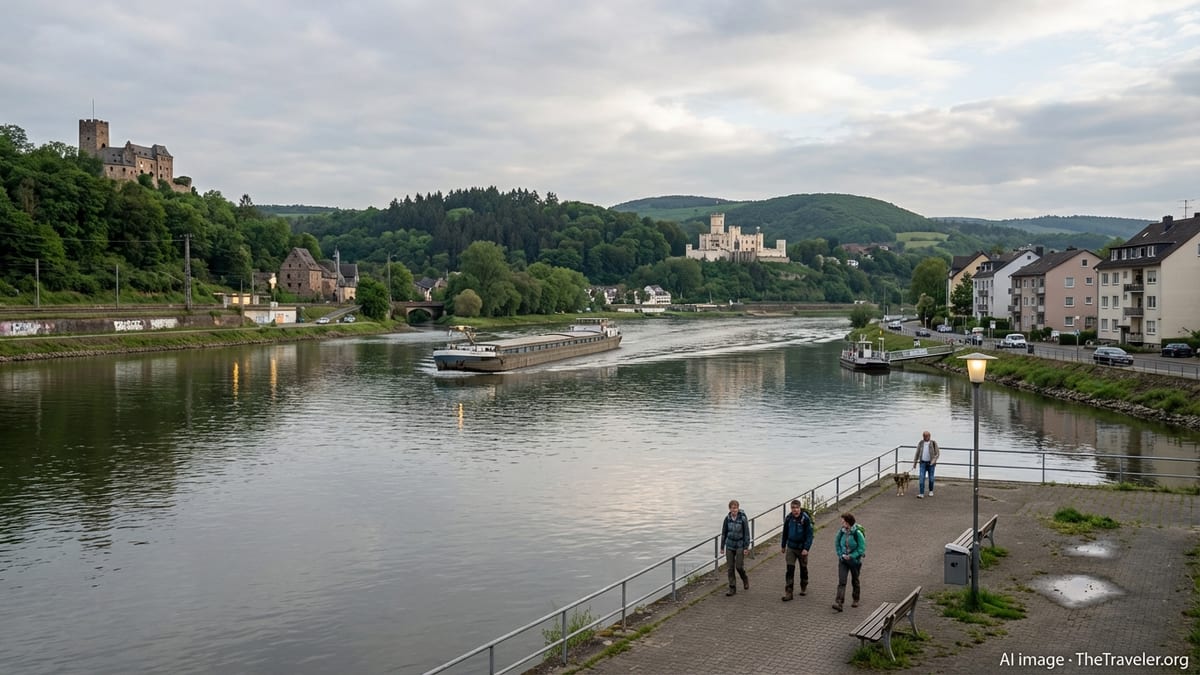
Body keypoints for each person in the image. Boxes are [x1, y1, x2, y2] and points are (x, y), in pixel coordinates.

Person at [779, 499, 813, 601]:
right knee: (790, 570)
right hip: (791, 547)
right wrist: (783, 545)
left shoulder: (805, 519)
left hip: (802, 548)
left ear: (799, 508)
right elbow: (785, 532)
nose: (795, 510)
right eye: (793, 508)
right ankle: (789, 592)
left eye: (797, 508)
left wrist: (806, 548)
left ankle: (804, 585)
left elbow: (809, 535)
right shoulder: (788, 518)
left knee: (803, 568)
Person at [832, 513, 865, 611]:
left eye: (843, 521)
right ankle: (839, 602)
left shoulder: (857, 533)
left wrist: (851, 556)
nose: (842, 523)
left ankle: (856, 599)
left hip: (854, 561)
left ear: (848, 522)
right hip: (843, 560)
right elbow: (837, 543)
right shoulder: (841, 531)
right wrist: (840, 554)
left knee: (855, 580)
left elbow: (861, 548)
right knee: (842, 581)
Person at [719, 499, 750, 596]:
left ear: (738, 508)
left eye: (736, 508)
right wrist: (722, 547)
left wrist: (746, 547)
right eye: (733, 508)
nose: (734, 510)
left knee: (739, 566)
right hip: (729, 545)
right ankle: (732, 588)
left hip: (740, 545)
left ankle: (744, 578)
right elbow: (724, 533)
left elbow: (746, 534)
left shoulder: (742, 519)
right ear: (730, 509)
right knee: (730, 568)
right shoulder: (727, 519)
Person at [911, 430, 940, 498]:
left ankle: (931, 491)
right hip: (922, 463)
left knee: (931, 478)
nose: (925, 437)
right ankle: (921, 493)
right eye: (924, 436)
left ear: (929, 436)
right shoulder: (921, 443)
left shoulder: (933, 443)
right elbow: (917, 453)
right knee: (921, 478)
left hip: (931, 464)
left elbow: (937, 454)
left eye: (927, 436)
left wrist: (933, 461)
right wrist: (915, 463)